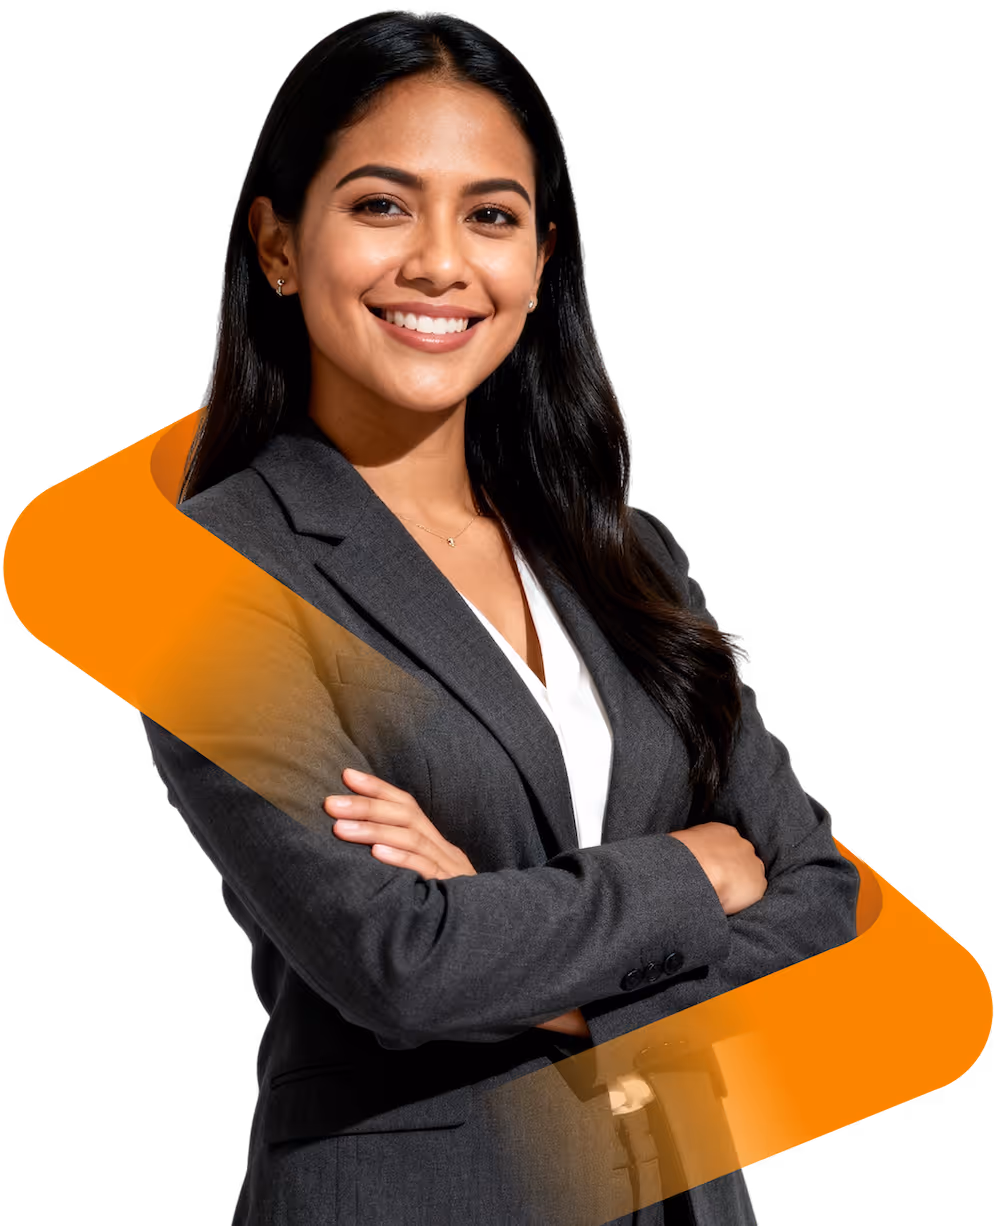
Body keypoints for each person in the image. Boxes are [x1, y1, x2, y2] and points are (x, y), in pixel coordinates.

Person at [139, 11, 860, 1223]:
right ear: (275, 243)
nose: (439, 262)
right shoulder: (214, 573)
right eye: (381, 205)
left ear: (539, 261)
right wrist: (693, 866)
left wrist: (502, 932)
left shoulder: (629, 555)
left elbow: (823, 903)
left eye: (490, 215)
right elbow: (399, 963)